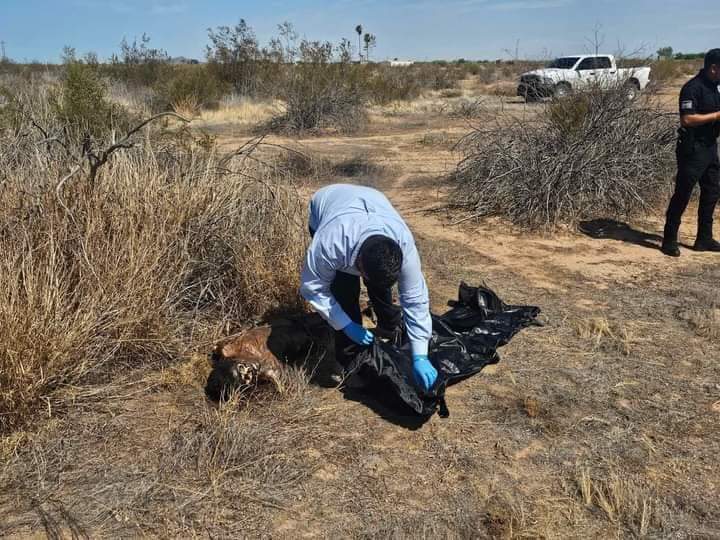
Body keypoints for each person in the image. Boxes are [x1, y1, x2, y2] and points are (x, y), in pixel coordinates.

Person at [299, 184, 437, 391]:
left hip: (374, 200)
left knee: (381, 285)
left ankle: (388, 326)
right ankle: (351, 361)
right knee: (344, 291)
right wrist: (345, 324)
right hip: (327, 203)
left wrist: (420, 354)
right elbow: (313, 287)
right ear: (360, 264)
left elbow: (415, 298)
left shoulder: (404, 245)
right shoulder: (330, 244)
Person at [662, 48, 720, 257]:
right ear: (714, 68)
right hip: (693, 149)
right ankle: (669, 239)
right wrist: (717, 115)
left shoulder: (714, 88)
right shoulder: (692, 88)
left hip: (710, 147)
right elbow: (687, 119)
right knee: (683, 193)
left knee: (711, 192)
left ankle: (704, 238)